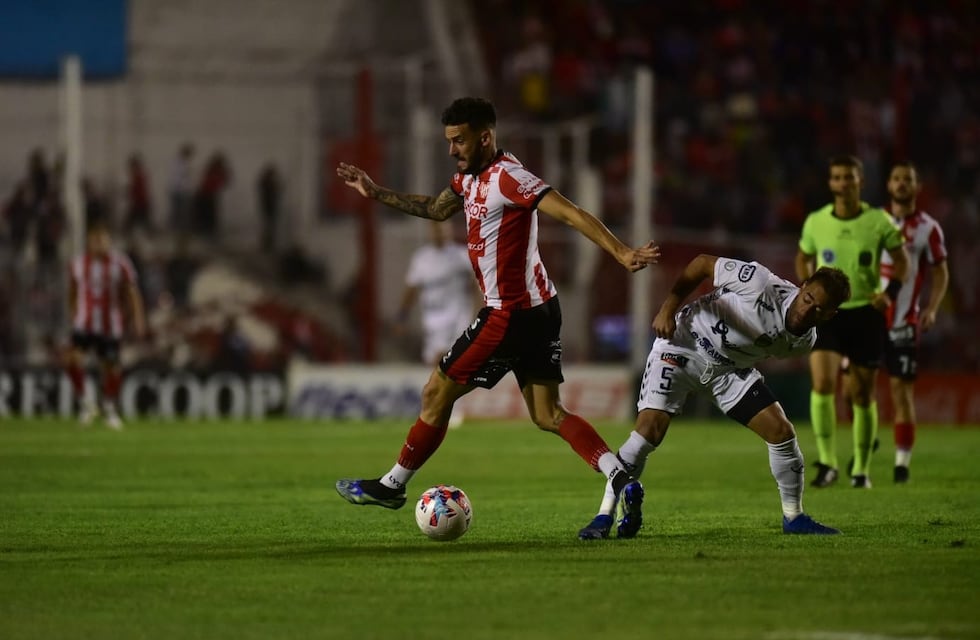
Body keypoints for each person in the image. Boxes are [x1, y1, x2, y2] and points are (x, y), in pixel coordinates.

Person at [334, 96, 660, 516]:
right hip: (541, 309)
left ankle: (391, 485)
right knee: (548, 413)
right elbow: (435, 209)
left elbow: (571, 213)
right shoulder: (468, 179)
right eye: (449, 141)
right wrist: (375, 191)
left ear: (485, 137)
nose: (451, 150)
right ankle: (619, 475)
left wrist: (621, 252)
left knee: (435, 391)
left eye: (459, 140)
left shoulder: (509, 177)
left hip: (509, 314)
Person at [578, 255, 852, 539]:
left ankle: (794, 517)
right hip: (683, 346)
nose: (807, 310)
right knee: (648, 433)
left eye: (819, 309)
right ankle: (604, 516)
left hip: (727, 371)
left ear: (829, 315)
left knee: (781, 432)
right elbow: (700, 264)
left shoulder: (805, 342)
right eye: (808, 299)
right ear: (802, 286)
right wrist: (668, 309)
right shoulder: (759, 283)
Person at [795, 155, 909, 489]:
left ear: (861, 181)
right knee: (822, 384)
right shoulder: (816, 221)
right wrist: (807, 289)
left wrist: (889, 293)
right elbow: (803, 256)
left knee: (861, 393)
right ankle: (827, 463)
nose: (843, 183)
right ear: (831, 183)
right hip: (827, 315)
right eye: (837, 177)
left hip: (865, 313)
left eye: (849, 177)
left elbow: (901, 261)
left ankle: (861, 469)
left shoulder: (878, 221)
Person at [880, 162, 949, 483]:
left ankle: (901, 464)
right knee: (854, 388)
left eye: (907, 179)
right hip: (869, 319)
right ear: (888, 185)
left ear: (917, 187)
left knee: (901, 391)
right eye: (896, 179)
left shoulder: (928, 228)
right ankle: (865, 444)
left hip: (904, 320)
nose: (901, 184)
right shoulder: (874, 221)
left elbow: (941, 272)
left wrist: (932, 308)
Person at [394, 220, 480, 428]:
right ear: (430, 232)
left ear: (449, 230)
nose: (439, 232)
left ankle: (449, 409)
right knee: (436, 365)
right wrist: (402, 316)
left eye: (443, 228)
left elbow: (477, 284)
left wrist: (480, 313)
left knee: (444, 359)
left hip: (457, 316)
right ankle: (442, 406)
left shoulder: (461, 255)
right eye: (435, 229)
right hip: (432, 319)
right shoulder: (422, 258)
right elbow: (411, 289)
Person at [65, 221, 146, 429]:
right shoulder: (78, 263)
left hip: (110, 324)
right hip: (84, 322)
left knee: (112, 367)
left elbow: (132, 292)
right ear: (89, 242)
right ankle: (86, 402)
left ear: (109, 241)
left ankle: (109, 407)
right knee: (72, 359)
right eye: (96, 240)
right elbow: (73, 290)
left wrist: (138, 318)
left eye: (103, 239)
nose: (100, 244)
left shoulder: (121, 263)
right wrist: (73, 312)